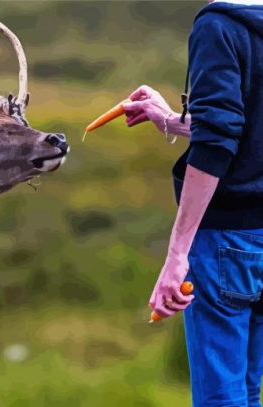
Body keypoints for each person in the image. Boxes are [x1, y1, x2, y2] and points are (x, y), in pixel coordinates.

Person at [124, 1, 263, 405]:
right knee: (248, 391)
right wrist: (170, 120)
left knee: (220, 398)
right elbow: (245, 129)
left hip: (228, 244)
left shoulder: (218, 25)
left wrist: (176, 254)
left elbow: (218, 141)